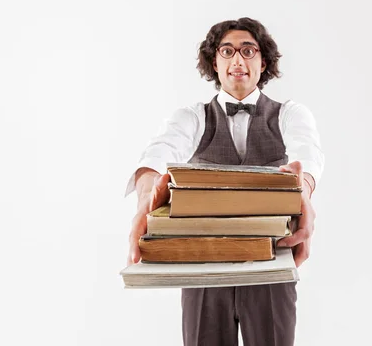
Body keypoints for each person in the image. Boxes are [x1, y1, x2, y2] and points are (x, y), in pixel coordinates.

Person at [125, 17, 324, 346]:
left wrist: (305, 193)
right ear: (214, 61)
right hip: (201, 270)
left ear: (263, 61)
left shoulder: (291, 114)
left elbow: (308, 154)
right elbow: (157, 154)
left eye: (248, 50)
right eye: (227, 50)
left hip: (271, 264)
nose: (238, 60)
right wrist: (144, 202)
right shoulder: (192, 117)